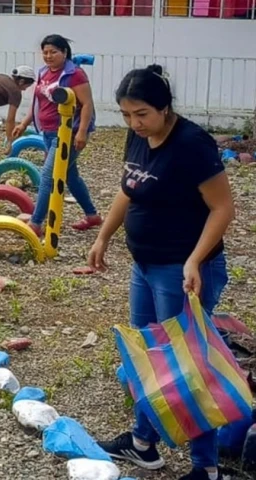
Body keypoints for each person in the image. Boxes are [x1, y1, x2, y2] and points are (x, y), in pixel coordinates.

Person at [88, 64, 234, 480]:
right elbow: (127, 189)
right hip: (145, 266)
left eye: (142, 115)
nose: (134, 124)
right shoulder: (138, 140)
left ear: (165, 108)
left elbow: (223, 208)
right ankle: (142, 444)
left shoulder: (192, 144)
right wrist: (103, 238)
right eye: (126, 116)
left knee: (185, 364)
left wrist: (194, 259)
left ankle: (206, 469)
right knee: (147, 359)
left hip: (183, 271)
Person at [13, 34, 101, 236]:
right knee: (70, 176)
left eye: (53, 52)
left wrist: (81, 133)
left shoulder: (74, 74)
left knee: (48, 176)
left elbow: (87, 104)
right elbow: (39, 102)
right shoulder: (44, 72)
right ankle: (92, 216)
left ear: (64, 52)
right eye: (45, 52)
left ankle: (35, 224)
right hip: (48, 132)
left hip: (67, 134)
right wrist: (24, 123)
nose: (48, 56)